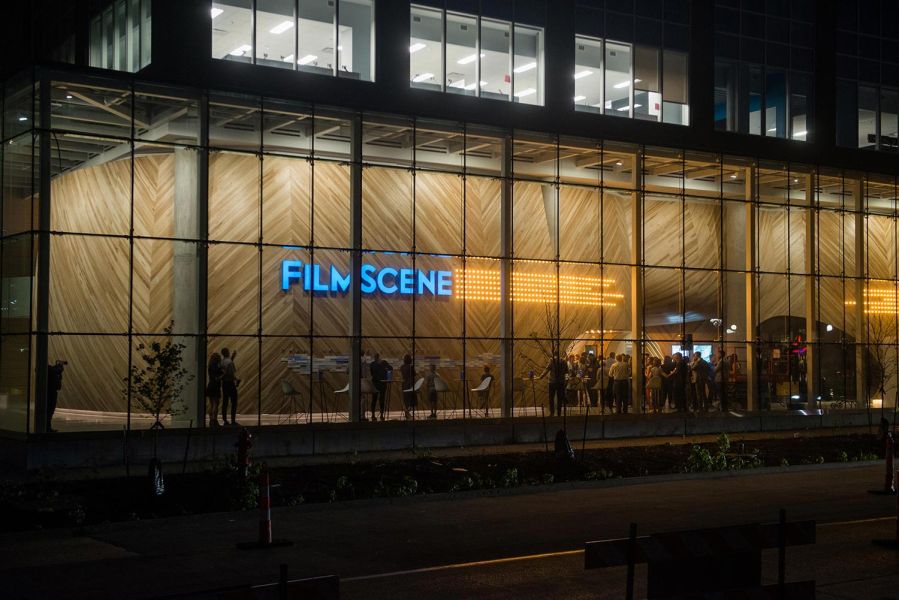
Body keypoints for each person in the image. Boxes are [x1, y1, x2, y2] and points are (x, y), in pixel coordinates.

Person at [540, 352, 568, 417]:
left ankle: (552, 413)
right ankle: (559, 413)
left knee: (551, 398)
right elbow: (566, 372)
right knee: (560, 398)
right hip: (561, 382)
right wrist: (566, 381)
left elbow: (547, 369)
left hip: (552, 382)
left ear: (554, 355)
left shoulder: (552, 360)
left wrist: (541, 376)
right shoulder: (564, 362)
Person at [369, 353, 392, 421]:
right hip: (382, 383)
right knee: (382, 399)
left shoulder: (372, 364)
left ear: (374, 358)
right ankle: (381, 414)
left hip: (375, 383)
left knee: (374, 399)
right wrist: (385, 367)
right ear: (379, 357)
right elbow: (391, 368)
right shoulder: (383, 362)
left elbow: (371, 373)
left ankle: (373, 415)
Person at [221, 348, 240, 426]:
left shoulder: (221, 362)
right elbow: (231, 373)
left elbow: (224, 371)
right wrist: (237, 380)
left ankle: (225, 420)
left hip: (224, 383)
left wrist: (233, 357)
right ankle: (233, 420)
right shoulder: (230, 362)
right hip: (230, 384)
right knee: (234, 402)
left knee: (225, 402)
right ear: (228, 352)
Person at [46, 360, 66, 432]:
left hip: (50, 392)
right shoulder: (49, 370)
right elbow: (54, 370)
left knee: (49, 411)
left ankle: (47, 427)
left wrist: (58, 368)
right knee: (49, 410)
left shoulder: (50, 370)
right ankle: (47, 427)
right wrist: (59, 367)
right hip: (51, 393)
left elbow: (55, 370)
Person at [206, 352, 224, 427]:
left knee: (211, 404)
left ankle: (211, 420)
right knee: (216, 404)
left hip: (210, 385)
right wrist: (224, 374)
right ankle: (214, 420)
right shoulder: (216, 367)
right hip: (215, 386)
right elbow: (217, 378)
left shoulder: (210, 365)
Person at [400, 354, 416, 420]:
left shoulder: (402, 367)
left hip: (404, 384)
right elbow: (414, 374)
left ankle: (407, 412)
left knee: (405, 399)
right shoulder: (411, 367)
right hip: (410, 384)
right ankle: (408, 411)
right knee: (411, 398)